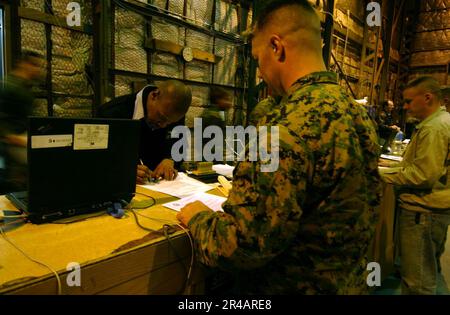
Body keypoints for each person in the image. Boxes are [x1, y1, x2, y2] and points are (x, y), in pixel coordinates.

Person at [177, 0, 380, 294]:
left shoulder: (282, 130)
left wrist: (197, 216)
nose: (259, 73)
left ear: (276, 47)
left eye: (258, 59)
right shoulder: (358, 114)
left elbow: (241, 246)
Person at [379, 76, 450, 295]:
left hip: (422, 213)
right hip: (432, 211)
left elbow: (422, 175)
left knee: (417, 282)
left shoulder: (434, 128)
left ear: (427, 98)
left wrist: (381, 174)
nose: (406, 107)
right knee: (427, 269)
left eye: (409, 101)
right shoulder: (439, 122)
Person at [97, 80, 192, 184]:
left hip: (161, 188)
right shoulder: (111, 113)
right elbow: (97, 161)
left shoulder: (172, 113)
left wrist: (170, 160)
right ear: (154, 96)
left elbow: (179, 149)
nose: (163, 125)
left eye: (170, 123)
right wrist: (122, 171)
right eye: (161, 118)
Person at [0, 50, 45, 193]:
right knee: (16, 183)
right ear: (23, 64)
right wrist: (10, 137)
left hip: (22, 138)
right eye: (34, 65)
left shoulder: (25, 86)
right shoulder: (9, 86)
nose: (38, 69)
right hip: (13, 141)